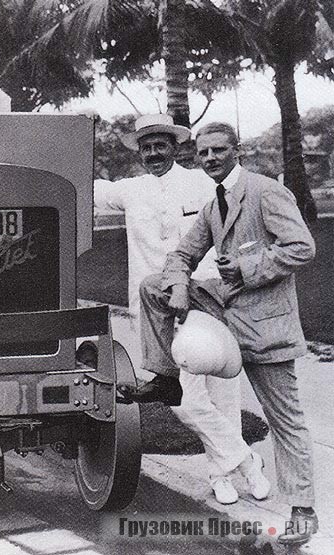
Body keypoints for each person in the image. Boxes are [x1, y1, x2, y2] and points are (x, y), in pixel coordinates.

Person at [128, 121, 317, 545]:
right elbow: (183, 253)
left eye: (218, 150)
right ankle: (164, 378)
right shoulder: (213, 205)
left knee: (286, 421)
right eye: (203, 153)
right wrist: (178, 285)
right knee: (153, 286)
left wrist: (248, 268)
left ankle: (303, 512)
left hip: (265, 327)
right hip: (224, 312)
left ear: (237, 150)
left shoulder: (265, 191)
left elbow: (302, 246)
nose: (210, 158)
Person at [94, 113, 266, 505]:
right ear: (139, 152)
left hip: (204, 303)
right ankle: (245, 460)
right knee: (187, 401)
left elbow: (239, 227)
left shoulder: (202, 183)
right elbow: (86, 187)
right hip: (157, 314)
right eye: (147, 147)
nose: (154, 153)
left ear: (175, 147)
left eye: (161, 145)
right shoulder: (130, 190)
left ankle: (219, 474)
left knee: (223, 393)